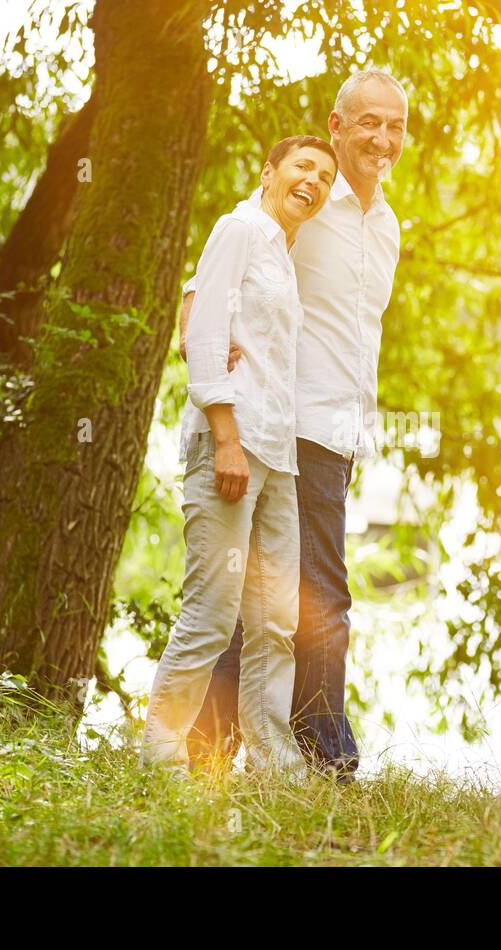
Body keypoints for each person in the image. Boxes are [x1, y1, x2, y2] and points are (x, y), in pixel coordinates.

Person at [178, 70, 407, 780]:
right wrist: (203, 341)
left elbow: (356, 335)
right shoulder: (305, 199)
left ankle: (214, 743)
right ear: (337, 127)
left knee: (268, 597)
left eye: (395, 126)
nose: (382, 138)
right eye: (368, 122)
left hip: (338, 436)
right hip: (289, 422)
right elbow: (214, 278)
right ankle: (323, 753)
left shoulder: (388, 225)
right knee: (323, 596)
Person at [141, 136, 339, 774]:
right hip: (233, 446)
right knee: (211, 611)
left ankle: (274, 761)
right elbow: (201, 334)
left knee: (275, 618)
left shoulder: (283, 251)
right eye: (303, 166)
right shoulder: (240, 229)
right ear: (270, 172)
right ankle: (162, 759)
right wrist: (226, 439)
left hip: (278, 459)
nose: (314, 180)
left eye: (325, 176)